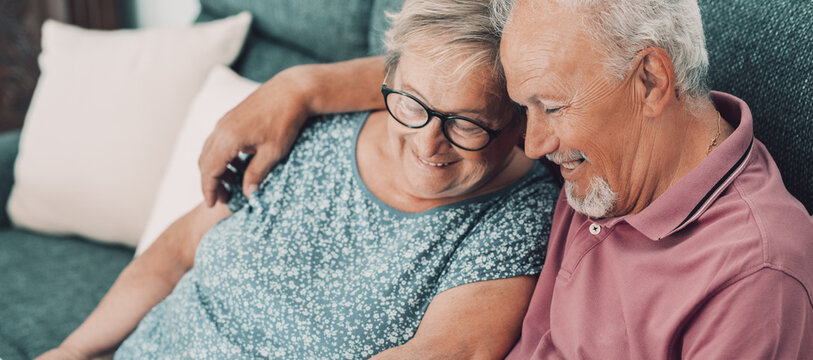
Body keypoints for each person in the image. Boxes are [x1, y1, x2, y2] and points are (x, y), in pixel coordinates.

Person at [198, 0, 813, 358]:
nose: (532, 141)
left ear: (651, 81)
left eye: (549, 105)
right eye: (525, 108)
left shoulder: (755, 279)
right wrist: (301, 87)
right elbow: (449, 87)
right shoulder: (611, 145)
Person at [37, 1, 560, 359]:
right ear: (387, 79)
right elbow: (179, 250)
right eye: (412, 104)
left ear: (518, 121)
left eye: (466, 122)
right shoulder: (314, 130)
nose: (428, 142)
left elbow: (448, 352)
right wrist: (75, 349)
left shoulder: (519, 213)